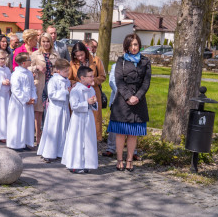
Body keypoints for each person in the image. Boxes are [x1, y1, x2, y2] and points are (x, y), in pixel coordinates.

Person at [108, 33, 151, 172]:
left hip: (139, 101)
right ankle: (119, 160)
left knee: (133, 134)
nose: (134, 47)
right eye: (131, 45)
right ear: (126, 46)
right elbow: (119, 81)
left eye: (136, 44)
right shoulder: (121, 61)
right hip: (122, 102)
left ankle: (129, 160)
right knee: (120, 133)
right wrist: (128, 97)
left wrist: (137, 96)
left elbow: (146, 82)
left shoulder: (145, 61)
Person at [62, 66, 98, 174]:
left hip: (88, 118)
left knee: (88, 140)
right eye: (90, 76)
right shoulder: (76, 90)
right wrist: (87, 103)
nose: (93, 78)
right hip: (78, 119)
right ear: (82, 78)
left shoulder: (91, 89)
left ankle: (87, 163)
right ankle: (75, 164)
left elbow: (94, 105)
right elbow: (74, 106)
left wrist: (94, 102)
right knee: (77, 140)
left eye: (93, 76)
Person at [68, 42, 105, 141]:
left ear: (86, 52)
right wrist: (76, 83)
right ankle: (78, 139)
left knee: (94, 116)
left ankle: (94, 139)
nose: (80, 58)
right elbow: (69, 78)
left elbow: (102, 76)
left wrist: (94, 81)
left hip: (93, 91)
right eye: (77, 56)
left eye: (81, 55)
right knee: (79, 115)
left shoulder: (96, 61)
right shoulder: (72, 63)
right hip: (79, 93)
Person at [37, 58, 71, 163]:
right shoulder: (53, 80)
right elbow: (51, 94)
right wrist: (65, 92)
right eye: (65, 71)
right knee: (53, 130)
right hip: (55, 110)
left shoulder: (67, 81)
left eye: (68, 71)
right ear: (58, 71)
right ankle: (49, 152)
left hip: (64, 109)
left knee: (63, 130)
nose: (67, 73)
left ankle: (60, 152)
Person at [30, 32, 59, 144]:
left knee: (50, 111)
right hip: (40, 84)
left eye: (48, 41)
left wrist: (56, 70)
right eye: (43, 41)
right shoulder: (35, 54)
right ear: (40, 42)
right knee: (38, 111)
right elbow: (28, 67)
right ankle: (38, 136)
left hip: (52, 84)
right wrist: (36, 67)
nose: (46, 44)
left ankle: (49, 136)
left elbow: (60, 66)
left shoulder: (55, 54)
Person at [7, 52, 37, 151]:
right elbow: (15, 89)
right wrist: (26, 99)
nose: (30, 61)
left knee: (27, 122)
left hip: (28, 102)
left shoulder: (28, 73)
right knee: (17, 122)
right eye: (29, 60)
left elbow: (32, 87)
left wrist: (33, 98)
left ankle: (25, 142)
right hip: (18, 103)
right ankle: (16, 143)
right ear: (23, 63)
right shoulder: (16, 74)